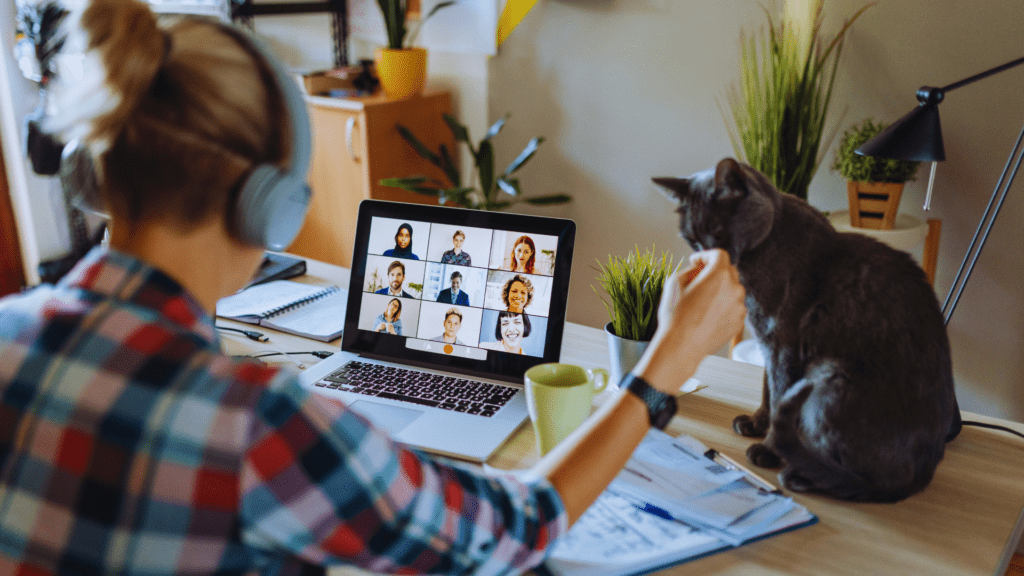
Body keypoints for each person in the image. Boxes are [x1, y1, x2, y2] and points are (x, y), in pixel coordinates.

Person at [0, 1, 746, 574]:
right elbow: (517, 531)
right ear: (270, 203)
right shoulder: (254, 424)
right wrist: (663, 365)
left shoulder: (9, 334)